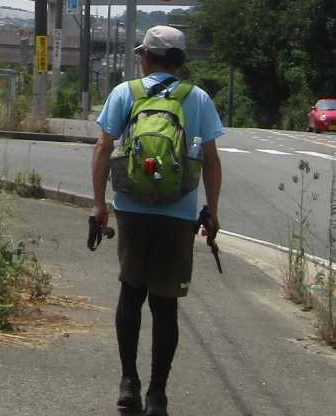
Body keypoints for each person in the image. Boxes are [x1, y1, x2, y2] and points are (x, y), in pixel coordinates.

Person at [90, 24, 225, 415]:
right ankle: (158, 395)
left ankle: (128, 383)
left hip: (131, 209)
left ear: (145, 57)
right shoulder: (197, 98)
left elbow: (103, 149)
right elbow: (211, 161)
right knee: (165, 305)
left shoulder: (125, 93)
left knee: (131, 294)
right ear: (180, 61)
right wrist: (212, 211)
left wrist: (99, 205)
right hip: (178, 213)